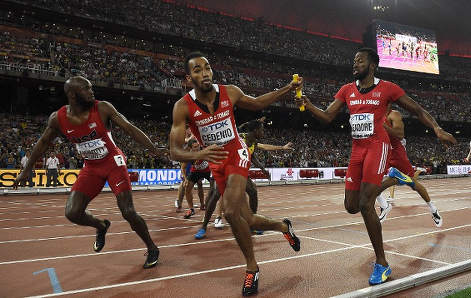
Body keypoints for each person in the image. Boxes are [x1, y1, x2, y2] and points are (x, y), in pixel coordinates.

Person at [295, 47, 456, 285]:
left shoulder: (388, 88)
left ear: (372, 65)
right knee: (351, 206)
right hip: (357, 150)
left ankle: (382, 264)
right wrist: (308, 105)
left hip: (378, 147)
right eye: (353, 61)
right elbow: (328, 116)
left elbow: (417, 109)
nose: (354, 64)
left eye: (359, 61)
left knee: (365, 203)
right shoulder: (346, 90)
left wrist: (437, 129)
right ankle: (394, 178)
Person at [169, 52, 302, 296]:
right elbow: (174, 150)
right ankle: (283, 226)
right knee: (247, 219)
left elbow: (259, 103)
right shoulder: (182, 107)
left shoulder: (229, 92)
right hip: (215, 160)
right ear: (189, 78)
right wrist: (201, 155)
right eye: (198, 70)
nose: (205, 72)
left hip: (236, 151)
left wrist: (289, 88)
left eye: (208, 67)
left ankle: (252, 268)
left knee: (229, 211)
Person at [14, 76, 163, 269]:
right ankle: (101, 226)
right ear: (73, 95)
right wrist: (27, 169)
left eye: (91, 88)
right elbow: (43, 143)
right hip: (91, 167)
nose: (92, 91)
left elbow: (129, 128)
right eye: (87, 89)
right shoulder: (57, 119)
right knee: (72, 212)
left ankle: (152, 247)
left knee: (127, 211)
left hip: (113, 163)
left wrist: (155, 149)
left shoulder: (102, 108)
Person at [194, 118, 294, 239]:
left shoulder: (253, 143)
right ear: (256, 130)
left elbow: (253, 156)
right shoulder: (241, 137)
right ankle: (203, 227)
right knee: (215, 195)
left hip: (236, 170)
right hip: (223, 166)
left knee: (252, 191)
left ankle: (252, 224)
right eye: (262, 130)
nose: (264, 133)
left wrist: (263, 169)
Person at [375, 108, 442, 227]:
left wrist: (382, 126)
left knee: (414, 184)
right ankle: (385, 206)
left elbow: (400, 135)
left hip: (397, 155)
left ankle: (433, 209)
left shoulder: (393, 114)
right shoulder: (374, 113)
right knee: (369, 182)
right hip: (383, 153)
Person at [183, 139, 211, 219]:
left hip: (208, 171)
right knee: (187, 187)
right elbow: (183, 168)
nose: (197, 148)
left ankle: (203, 205)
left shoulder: (204, 150)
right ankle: (191, 209)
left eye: (198, 146)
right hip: (195, 171)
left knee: (215, 188)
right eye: (195, 147)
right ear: (190, 148)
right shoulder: (188, 155)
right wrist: (185, 179)